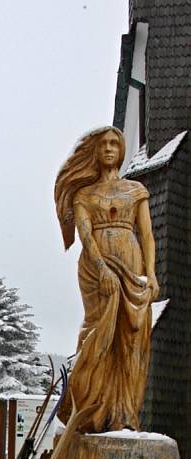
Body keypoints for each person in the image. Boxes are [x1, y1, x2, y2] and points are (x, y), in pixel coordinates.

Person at [55, 126, 159, 433]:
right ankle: (92, 409)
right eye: (104, 145)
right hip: (96, 269)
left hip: (131, 264)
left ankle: (124, 414)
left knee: (130, 340)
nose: (110, 149)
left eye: (115, 143)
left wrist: (151, 273)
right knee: (99, 334)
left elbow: (148, 234)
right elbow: (86, 235)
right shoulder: (84, 194)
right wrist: (102, 269)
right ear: (95, 153)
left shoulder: (136, 190)